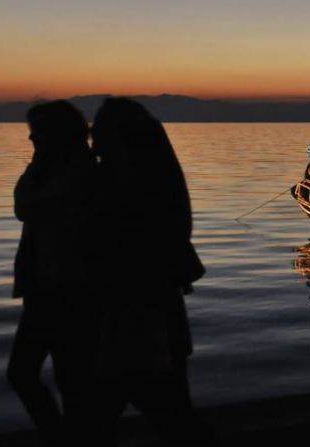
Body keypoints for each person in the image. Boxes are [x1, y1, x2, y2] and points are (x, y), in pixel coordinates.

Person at [88, 97, 204, 445]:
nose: (93, 142)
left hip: (136, 304)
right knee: (170, 400)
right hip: (159, 299)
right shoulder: (162, 181)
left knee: (133, 395)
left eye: (98, 134)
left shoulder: (119, 185)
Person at [7, 100, 98, 445]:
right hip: (48, 286)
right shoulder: (59, 168)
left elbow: (24, 205)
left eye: (37, 133)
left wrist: (38, 160)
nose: (31, 140)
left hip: (67, 289)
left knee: (46, 375)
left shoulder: (77, 171)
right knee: (64, 377)